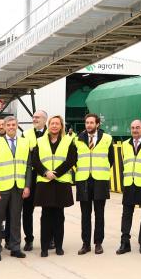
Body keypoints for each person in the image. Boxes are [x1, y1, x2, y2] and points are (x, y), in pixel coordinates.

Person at [0, 116, 33, 261]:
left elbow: (28, 167)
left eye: (14, 125)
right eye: (9, 125)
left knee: (15, 219)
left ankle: (15, 247)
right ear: (4, 127)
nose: (11, 127)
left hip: (18, 187)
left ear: (17, 126)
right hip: (1, 188)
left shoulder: (25, 143)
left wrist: (27, 185)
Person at [30, 114, 76, 257]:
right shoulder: (39, 141)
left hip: (61, 182)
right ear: (48, 126)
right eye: (52, 123)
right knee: (46, 216)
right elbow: (35, 160)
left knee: (59, 216)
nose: (54, 126)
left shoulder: (69, 141)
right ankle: (44, 248)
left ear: (61, 126)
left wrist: (56, 173)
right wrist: (45, 172)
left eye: (57, 123)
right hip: (45, 183)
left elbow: (71, 159)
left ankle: (58, 246)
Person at [75, 113, 114, 254]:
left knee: (99, 214)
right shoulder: (77, 139)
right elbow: (74, 159)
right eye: (87, 123)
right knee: (85, 215)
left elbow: (111, 160)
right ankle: (86, 244)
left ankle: (98, 243)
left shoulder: (107, 139)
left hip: (100, 180)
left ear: (97, 124)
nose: (89, 125)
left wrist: (100, 171)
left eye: (91, 123)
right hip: (83, 180)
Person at [117, 119, 141, 255]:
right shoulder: (125, 144)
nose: (135, 130)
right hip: (129, 184)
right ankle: (124, 243)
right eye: (132, 127)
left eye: (138, 127)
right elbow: (124, 164)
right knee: (126, 214)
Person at [20, 110, 48, 251]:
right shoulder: (26, 134)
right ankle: (28, 239)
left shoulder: (53, 133)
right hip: (30, 178)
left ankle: (49, 239)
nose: (34, 119)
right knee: (27, 211)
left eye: (37, 117)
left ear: (45, 119)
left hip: (46, 177)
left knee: (48, 210)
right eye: (34, 117)